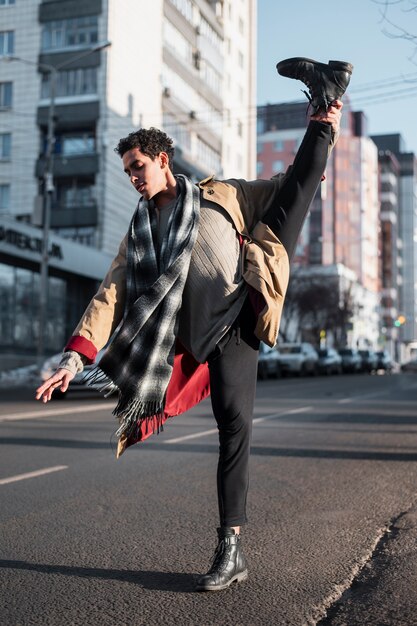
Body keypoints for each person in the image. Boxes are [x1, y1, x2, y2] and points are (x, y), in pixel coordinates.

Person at [36, 57, 353, 592]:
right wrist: (75, 355)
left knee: (234, 423)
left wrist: (311, 167)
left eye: (139, 167)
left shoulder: (222, 193)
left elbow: (283, 186)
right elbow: (111, 291)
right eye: (128, 172)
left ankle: (229, 546)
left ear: (164, 160)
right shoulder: (140, 232)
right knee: (229, 424)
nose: (135, 179)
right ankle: (326, 103)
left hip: (241, 314)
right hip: (197, 334)